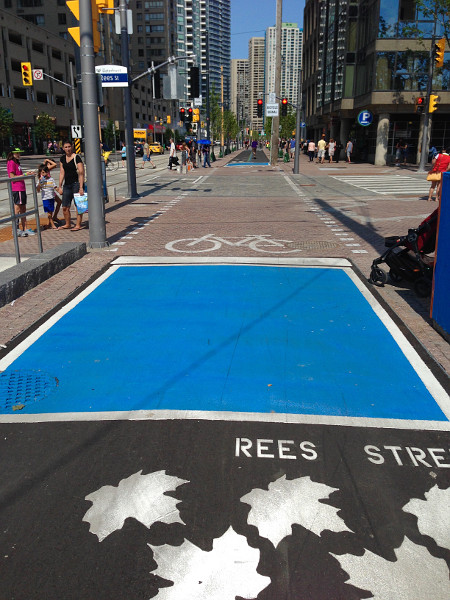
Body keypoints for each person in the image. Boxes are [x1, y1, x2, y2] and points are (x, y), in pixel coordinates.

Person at [57, 139, 85, 231]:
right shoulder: (62, 158)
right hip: (67, 185)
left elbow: (81, 172)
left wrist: (81, 187)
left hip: (76, 184)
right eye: (66, 147)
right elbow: (62, 172)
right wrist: (60, 186)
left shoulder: (76, 157)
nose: (68, 149)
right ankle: (67, 224)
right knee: (65, 206)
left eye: (69, 146)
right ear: (63, 148)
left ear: (72, 147)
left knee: (78, 206)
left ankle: (78, 225)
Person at [7, 148, 35, 237]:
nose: (18, 154)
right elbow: (12, 176)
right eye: (17, 153)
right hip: (17, 188)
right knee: (17, 208)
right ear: (12, 153)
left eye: (19, 153)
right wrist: (25, 175)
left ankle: (25, 228)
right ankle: (16, 228)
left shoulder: (17, 162)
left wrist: (26, 174)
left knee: (23, 208)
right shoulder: (11, 162)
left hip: (21, 187)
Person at [36, 163, 61, 229]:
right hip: (45, 198)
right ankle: (52, 224)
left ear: (47, 172)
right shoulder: (40, 180)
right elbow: (38, 190)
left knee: (51, 211)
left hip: (51, 197)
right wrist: (40, 182)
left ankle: (49, 224)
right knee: (48, 212)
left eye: (44, 172)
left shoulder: (51, 179)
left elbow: (55, 187)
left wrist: (59, 191)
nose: (43, 174)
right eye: (42, 173)